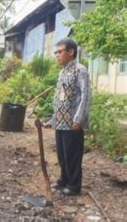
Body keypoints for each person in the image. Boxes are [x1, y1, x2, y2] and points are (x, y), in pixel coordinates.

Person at [46, 38, 91, 196]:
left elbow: (85, 96)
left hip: (73, 122)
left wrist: (79, 119)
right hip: (61, 121)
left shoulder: (80, 70)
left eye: (60, 52)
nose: (57, 55)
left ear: (71, 52)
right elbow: (59, 97)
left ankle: (73, 186)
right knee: (62, 155)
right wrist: (53, 119)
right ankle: (63, 181)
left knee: (72, 155)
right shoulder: (62, 71)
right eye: (56, 52)